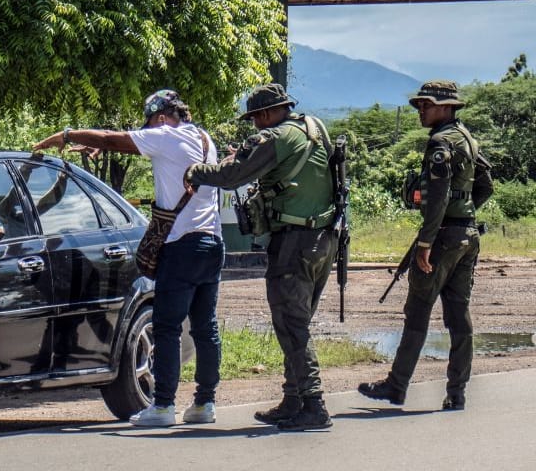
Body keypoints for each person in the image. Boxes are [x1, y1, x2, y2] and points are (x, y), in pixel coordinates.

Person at [33, 89, 224, 427]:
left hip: (181, 246)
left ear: (162, 117)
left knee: (166, 326)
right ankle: (205, 403)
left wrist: (67, 136)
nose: (148, 130)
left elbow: (113, 138)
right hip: (213, 243)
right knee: (205, 328)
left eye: (149, 122)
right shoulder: (205, 139)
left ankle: (163, 405)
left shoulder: (165, 135)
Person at [184, 83, 337, 431]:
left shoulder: (272, 138)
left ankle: (314, 404)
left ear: (266, 114)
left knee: (291, 325)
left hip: (293, 243)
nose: (254, 125)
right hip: (324, 239)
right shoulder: (314, 128)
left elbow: (231, 176)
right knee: (296, 322)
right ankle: (294, 399)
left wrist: (196, 172)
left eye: (255, 118)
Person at [358, 80, 493, 411]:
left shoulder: (441, 141)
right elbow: (487, 184)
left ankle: (397, 385)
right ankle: (457, 392)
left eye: (427, 105)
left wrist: (426, 241)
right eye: (420, 105)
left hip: (444, 237)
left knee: (417, 312)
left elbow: (438, 197)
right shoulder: (467, 139)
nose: (421, 110)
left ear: (446, 107)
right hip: (467, 235)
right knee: (458, 316)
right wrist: (466, 212)